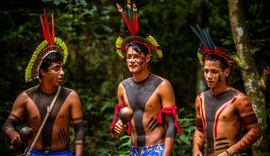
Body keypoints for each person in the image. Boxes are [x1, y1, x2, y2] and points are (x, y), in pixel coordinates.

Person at [2, 9, 84, 156]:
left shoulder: (71, 97)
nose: (62, 72)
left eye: (62, 68)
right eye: (56, 69)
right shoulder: (26, 98)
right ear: (43, 72)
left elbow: (79, 130)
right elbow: (8, 124)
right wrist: (13, 134)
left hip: (62, 153)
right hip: (34, 153)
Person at [109, 1, 182, 156]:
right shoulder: (123, 86)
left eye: (137, 56)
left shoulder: (162, 85)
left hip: (158, 150)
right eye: (129, 57)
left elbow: (171, 125)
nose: (132, 60)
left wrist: (166, 154)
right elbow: (117, 131)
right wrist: (118, 127)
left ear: (147, 57)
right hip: (133, 151)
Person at [190, 25, 261, 156]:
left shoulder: (239, 99)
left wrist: (229, 152)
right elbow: (199, 130)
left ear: (226, 72)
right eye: (206, 71)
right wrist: (195, 148)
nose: (208, 76)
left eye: (214, 72)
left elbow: (255, 131)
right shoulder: (200, 99)